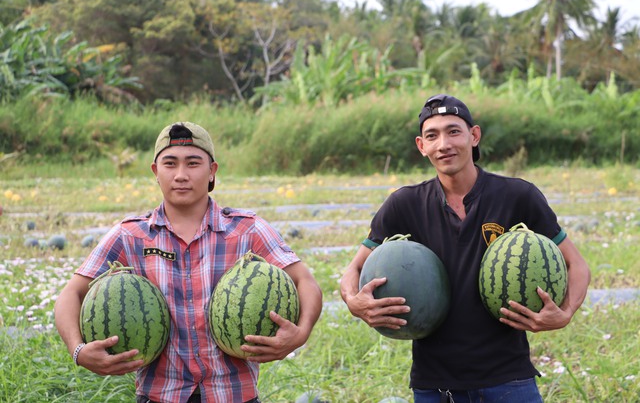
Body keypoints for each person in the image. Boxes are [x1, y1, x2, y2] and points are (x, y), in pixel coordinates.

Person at [340, 94, 591, 403]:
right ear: (422, 146)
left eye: (453, 131)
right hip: (435, 383)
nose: (444, 143)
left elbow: (576, 265)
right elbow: (353, 269)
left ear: (474, 136)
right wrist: (355, 302)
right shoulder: (404, 205)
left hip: (509, 377)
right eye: (432, 135)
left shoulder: (517, 196)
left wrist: (565, 313)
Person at [55, 121, 323, 403]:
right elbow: (71, 294)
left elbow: (304, 281)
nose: (181, 175)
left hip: (233, 396)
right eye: (170, 164)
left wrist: (300, 333)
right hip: (159, 396)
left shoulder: (248, 230)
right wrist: (79, 351)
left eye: (193, 163)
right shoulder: (130, 235)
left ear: (212, 172)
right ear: (156, 172)